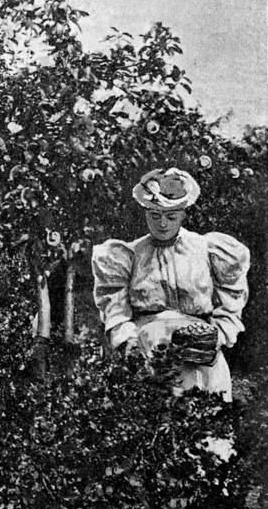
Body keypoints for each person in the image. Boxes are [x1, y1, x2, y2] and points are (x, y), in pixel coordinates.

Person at [92, 168, 250, 401]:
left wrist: (216, 335)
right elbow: (114, 308)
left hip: (199, 358)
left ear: (184, 214)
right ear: (145, 213)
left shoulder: (207, 249)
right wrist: (129, 341)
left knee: (201, 419)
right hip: (148, 352)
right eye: (155, 216)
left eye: (171, 216)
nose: (163, 224)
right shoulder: (128, 254)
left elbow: (231, 302)